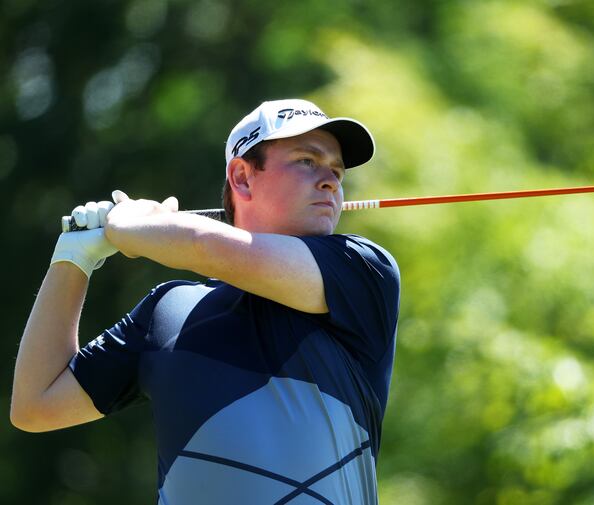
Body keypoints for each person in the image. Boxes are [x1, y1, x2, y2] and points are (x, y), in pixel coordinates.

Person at [11, 99, 401, 504]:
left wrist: (130, 222)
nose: (331, 181)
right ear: (243, 178)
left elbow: (202, 245)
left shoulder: (362, 271)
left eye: (337, 171)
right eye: (307, 161)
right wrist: (73, 259)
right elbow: (35, 405)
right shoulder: (167, 311)